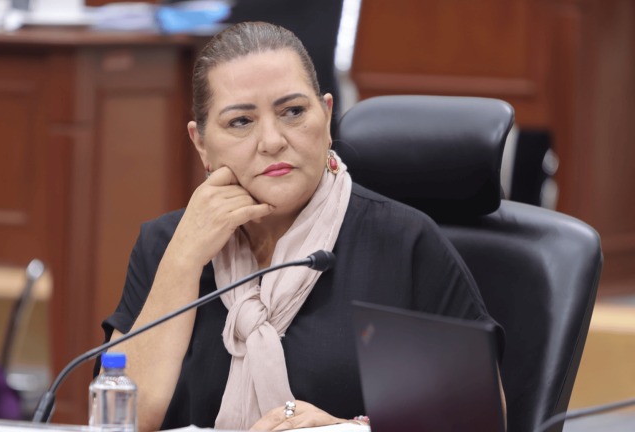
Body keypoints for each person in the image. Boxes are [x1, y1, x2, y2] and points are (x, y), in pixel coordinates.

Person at [100, 21, 503, 432]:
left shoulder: (403, 243)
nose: (272, 140)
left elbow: (475, 422)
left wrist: (348, 429)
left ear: (326, 117)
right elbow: (119, 421)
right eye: (241, 121)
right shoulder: (166, 245)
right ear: (201, 143)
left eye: (293, 112)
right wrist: (183, 261)